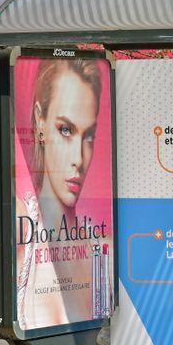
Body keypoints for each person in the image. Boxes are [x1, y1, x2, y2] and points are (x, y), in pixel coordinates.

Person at [15, 58, 104, 329]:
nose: (78, 158)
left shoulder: (98, 247)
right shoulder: (20, 225)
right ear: (40, 120)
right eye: (65, 129)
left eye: (88, 135)